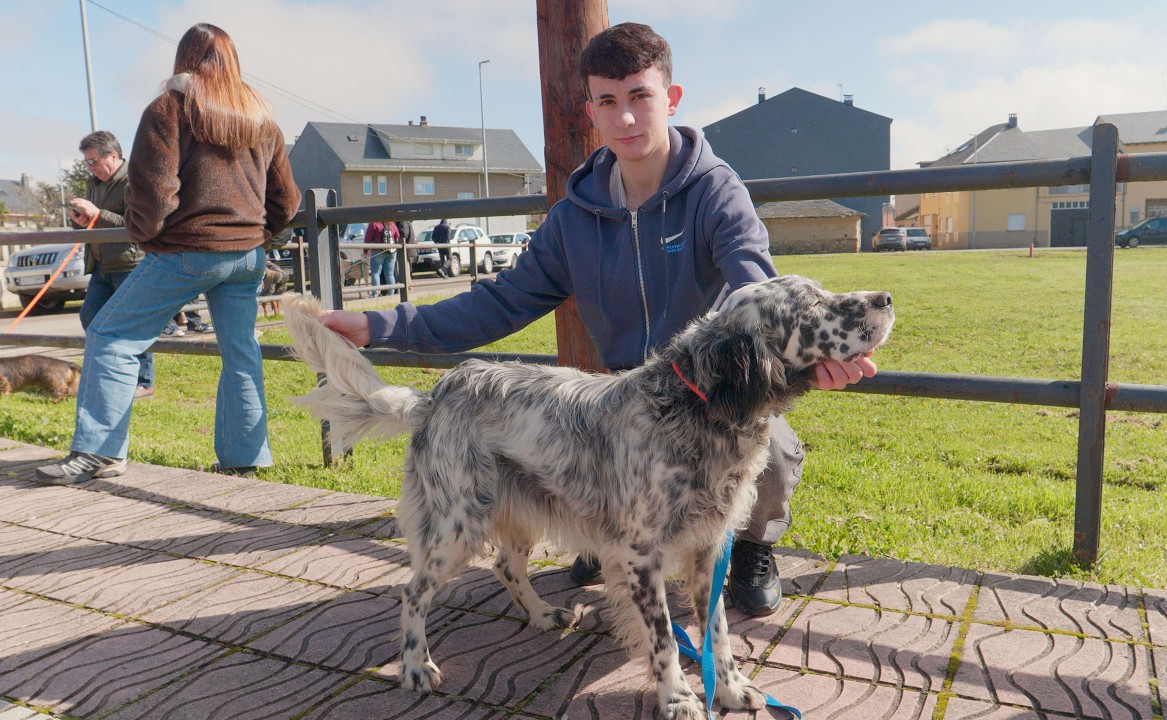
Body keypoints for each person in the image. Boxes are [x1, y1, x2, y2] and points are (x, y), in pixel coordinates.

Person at [315, 22, 874, 617]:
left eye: (640, 97)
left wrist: (809, 359)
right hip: (616, 411)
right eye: (609, 102)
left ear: (672, 98)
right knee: (594, 488)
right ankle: (607, 531)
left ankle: (749, 549)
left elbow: (755, 290)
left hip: (712, 393)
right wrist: (381, 327)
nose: (626, 119)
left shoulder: (716, 192)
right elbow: (499, 302)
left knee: (777, 455)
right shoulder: (573, 217)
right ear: (592, 111)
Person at [36, 22, 300, 484]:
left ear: (183, 59)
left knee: (110, 336)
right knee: (241, 352)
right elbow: (287, 202)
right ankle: (245, 459)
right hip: (248, 256)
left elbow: (154, 192)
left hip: (190, 251)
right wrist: (258, 233)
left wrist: (145, 236)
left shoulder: (170, 108)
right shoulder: (261, 118)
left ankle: (101, 453)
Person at [70, 131, 154, 400]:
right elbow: (95, 221)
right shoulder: (93, 183)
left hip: (130, 263)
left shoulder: (134, 180)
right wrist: (81, 219)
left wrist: (97, 214)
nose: (90, 167)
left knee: (133, 321)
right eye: (86, 163)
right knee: (90, 318)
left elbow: (137, 224)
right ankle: (107, 373)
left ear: (114, 156)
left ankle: (143, 381)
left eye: (93, 161)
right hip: (101, 263)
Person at [364, 220, 398, 296]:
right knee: (390, 274)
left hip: (377, 251)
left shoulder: (374, 223)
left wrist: (365, 251)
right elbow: (397, 235)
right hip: (392, 251)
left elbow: (367, 239)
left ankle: (375, 293)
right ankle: (391, 294)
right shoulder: (392, 223)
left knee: (375, 273)